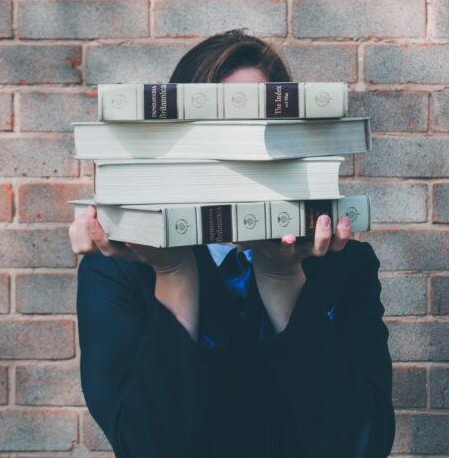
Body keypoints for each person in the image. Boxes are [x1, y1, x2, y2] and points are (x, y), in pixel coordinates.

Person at [70, 29, 396, 458]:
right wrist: (173, 273)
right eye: (217, 131)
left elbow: (362, 443)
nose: (240, 155)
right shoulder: (119, 268)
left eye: (257, 129)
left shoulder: (343, 262)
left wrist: (283, 277)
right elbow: (147, 445)